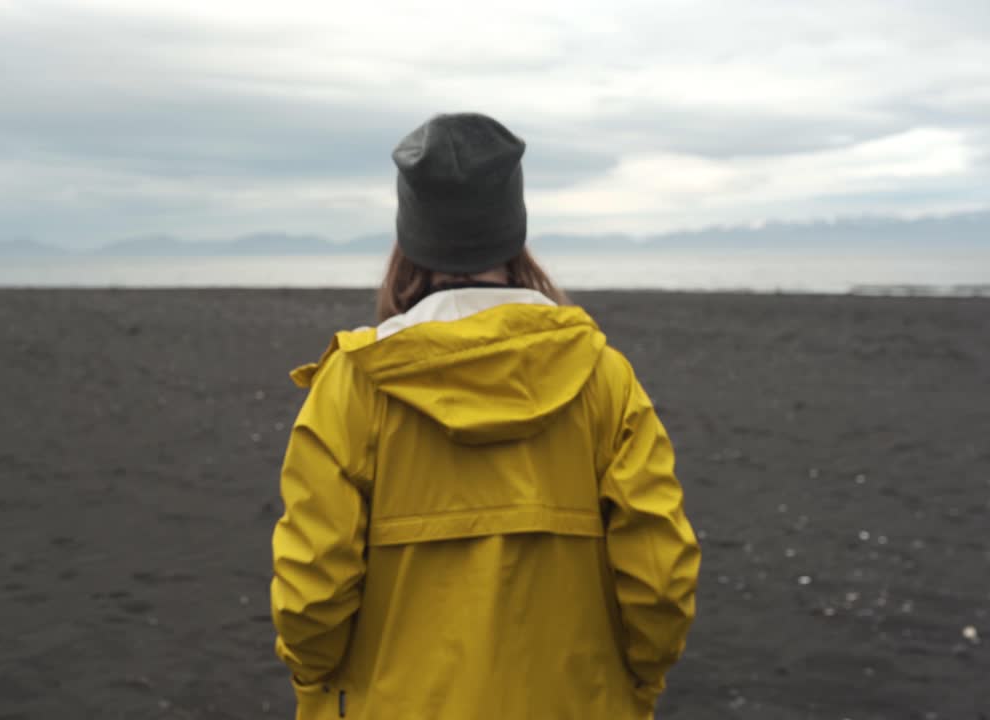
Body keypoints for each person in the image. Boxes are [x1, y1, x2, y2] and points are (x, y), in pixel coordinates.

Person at [270, 113, 700, 719]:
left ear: (411, 235)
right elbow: (659, 581)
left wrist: (318, 680)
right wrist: (634, 683)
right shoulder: (604, 377)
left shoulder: (354, 384)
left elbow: (312, 595)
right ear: (512, 229)